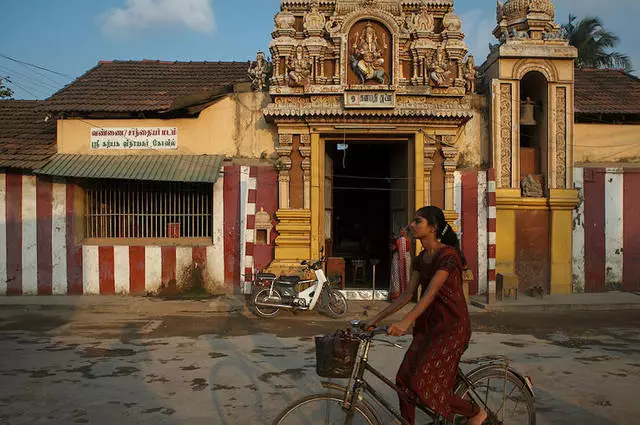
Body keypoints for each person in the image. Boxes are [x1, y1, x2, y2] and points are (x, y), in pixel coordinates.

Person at [366, 206, 487, 425]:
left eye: (417, 221)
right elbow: (407, 295)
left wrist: (404, 322)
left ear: (432, 228)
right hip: (429, 327)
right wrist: (374, 320)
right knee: (403, 380)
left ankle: (475, 412)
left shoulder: (448, 256)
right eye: (412, 221)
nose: (411, 225)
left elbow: (430, 294)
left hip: (452, 329)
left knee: (423, 384)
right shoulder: (421, 258)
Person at [389, 227, 411, 300]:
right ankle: (396, 296)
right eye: (400, 230)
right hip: (397, 258)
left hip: (405, 259)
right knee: (396, 276)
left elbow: (408, 249)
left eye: (403, 230)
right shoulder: (397, 239)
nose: (401, 231)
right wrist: (394, 242)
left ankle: (404, 296)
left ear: (406, 232)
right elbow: (392, 248)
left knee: (406, 275)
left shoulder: (408, 239)